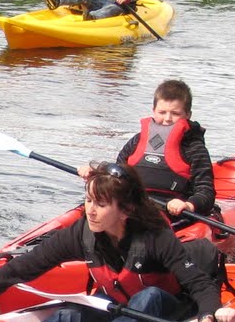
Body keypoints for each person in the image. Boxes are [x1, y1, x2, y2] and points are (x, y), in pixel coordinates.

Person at [0, 161, 221, 322]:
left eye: (100, 204)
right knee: (69, 313)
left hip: (167, 310)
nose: (90, 211)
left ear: (125, 210)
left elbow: (199, 284)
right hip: (121, 308)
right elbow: (24, 266)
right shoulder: (82, 233)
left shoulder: (154, 235)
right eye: (88, 200)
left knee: (148, 297)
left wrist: (208, 316)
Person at [79, 79, 214, 219]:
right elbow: (115, 176)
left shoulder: (194, 149)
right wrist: (96, 175)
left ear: (187, 115)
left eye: (175, 113)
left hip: (170, 214)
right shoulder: (136, 142)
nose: (167, 119)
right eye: (162, 112)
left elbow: (206, 192)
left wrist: (188, 205)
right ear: (153, 111)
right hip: (132, 207)